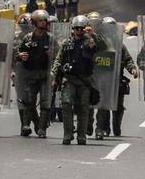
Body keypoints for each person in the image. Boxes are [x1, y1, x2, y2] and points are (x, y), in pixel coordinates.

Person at [50, 14, 97, 145]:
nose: (79, 31)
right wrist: (53, 75)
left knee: (83, 107)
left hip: (84, 81)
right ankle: (68, 133)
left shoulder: (91, 42)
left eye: (82, 29)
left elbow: (101, 46)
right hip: (69, 79)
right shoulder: (66, 43)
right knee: (65, 104)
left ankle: (81, 135)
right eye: (77, 28)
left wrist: (92, 35)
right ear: (73, 29)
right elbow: (58, 60)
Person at [12, 9, 53, 138]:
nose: (43, 23)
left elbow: (59, 56)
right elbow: (18, 52)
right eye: (40, 21)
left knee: (45, 103)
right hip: (30, 74)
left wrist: (52, 55)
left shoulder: (51, 38)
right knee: (29, 101)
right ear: (35, 22)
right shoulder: (27, 38)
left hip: (45, 74)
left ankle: (42, 128)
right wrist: (19, 55)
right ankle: (26, 125)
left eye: (44, 20)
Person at [95, 16, 138, 138]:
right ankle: (103, 128)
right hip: (102, 80)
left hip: (116, 80)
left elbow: (128, 59)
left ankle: (116, 127)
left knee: (118, 106)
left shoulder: (120, 45)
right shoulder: (98, 44)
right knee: (103, 105)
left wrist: (133, 69)